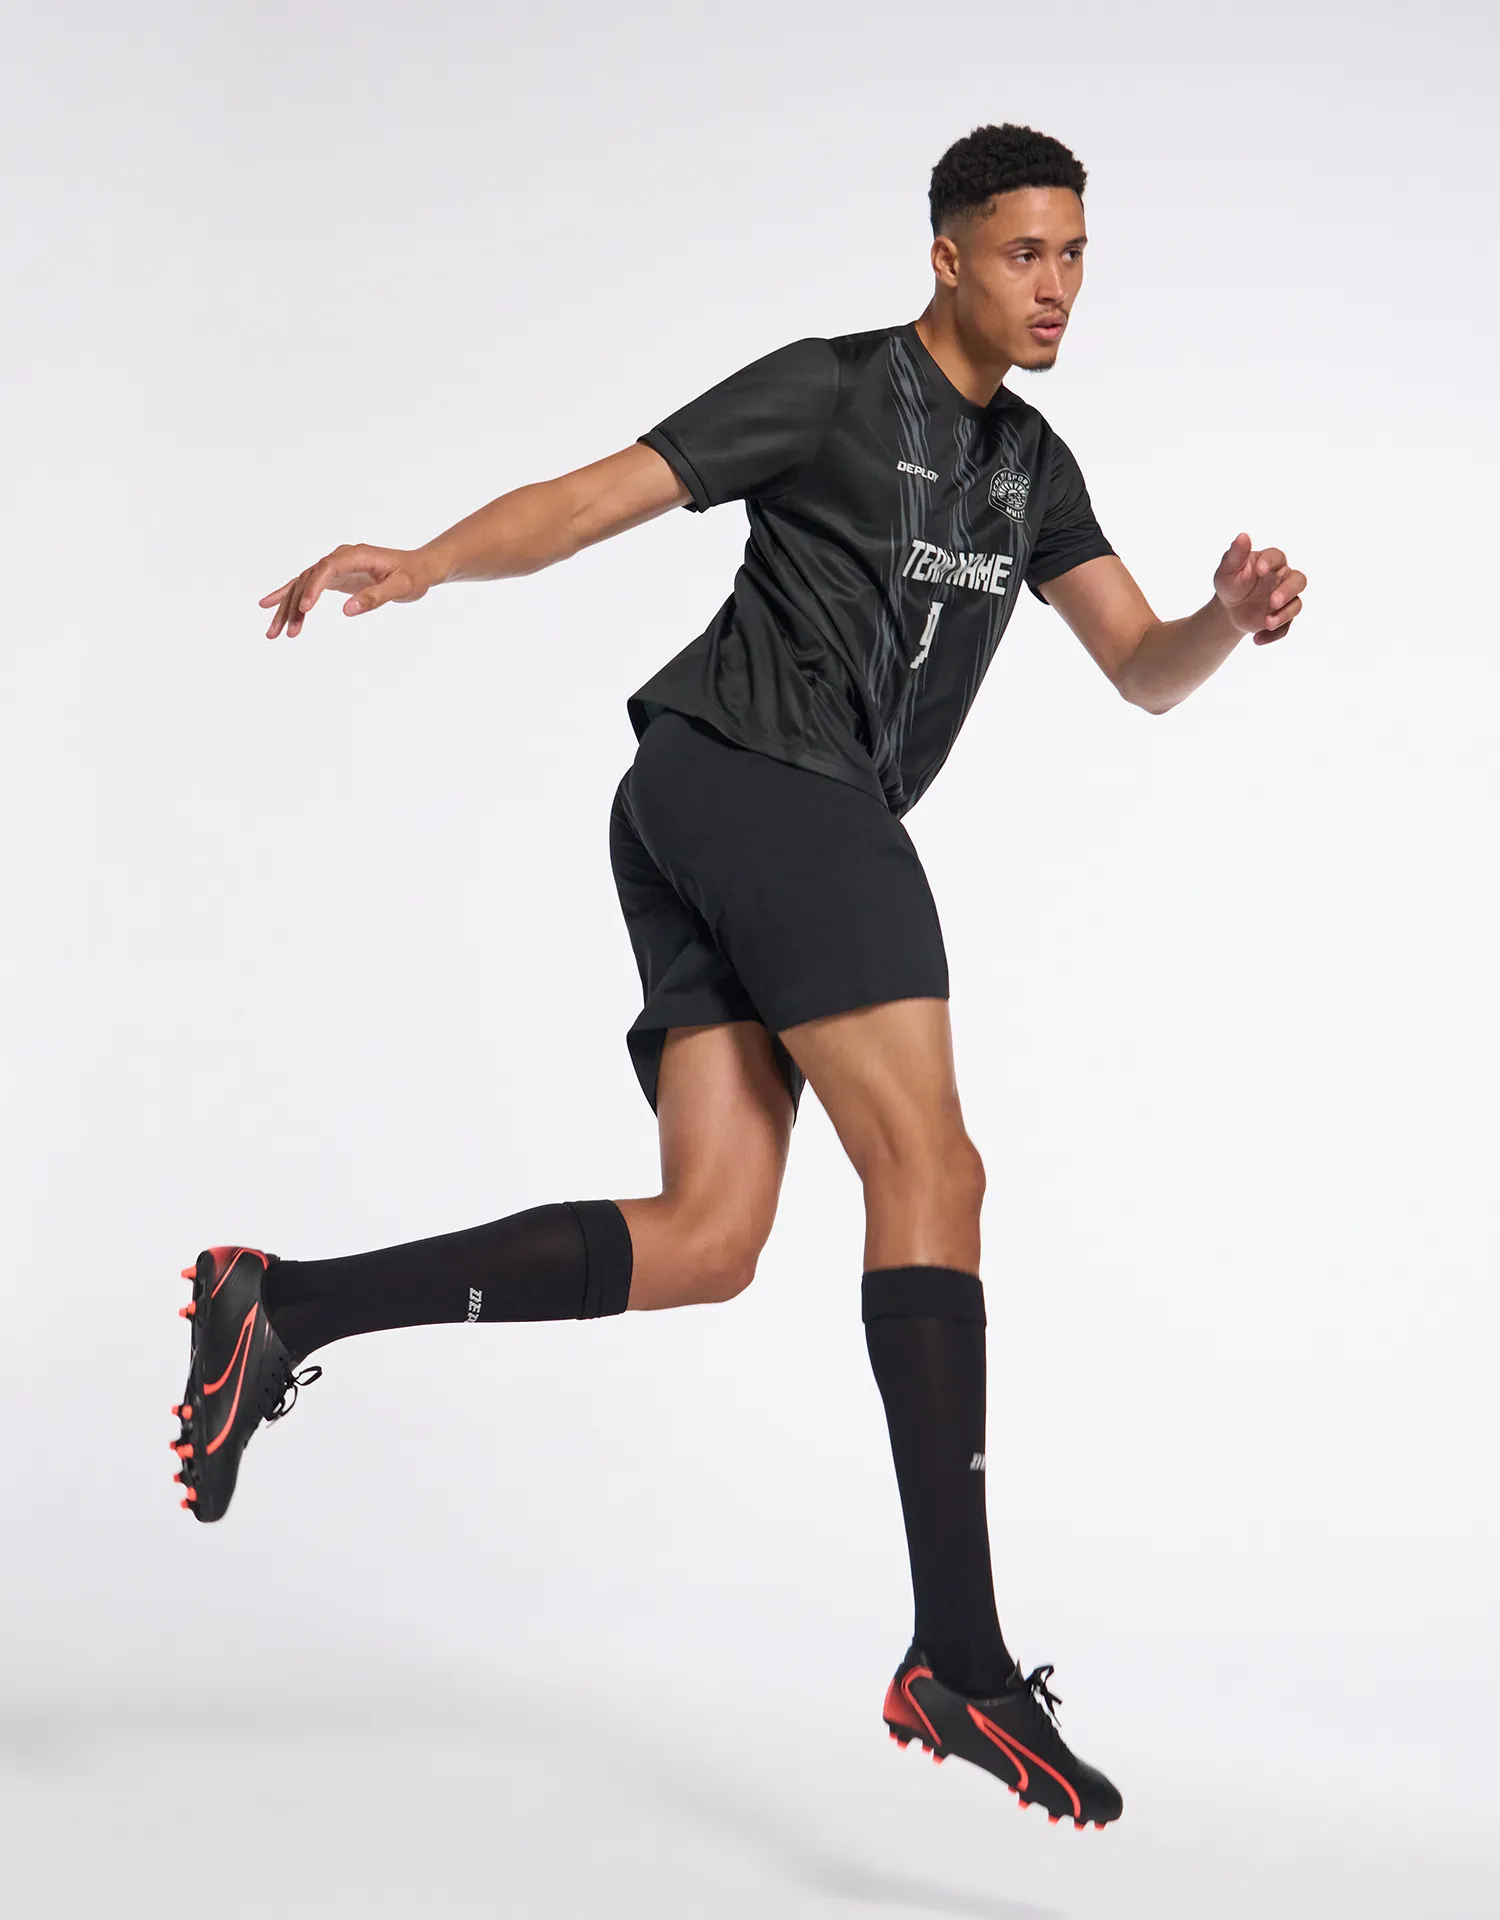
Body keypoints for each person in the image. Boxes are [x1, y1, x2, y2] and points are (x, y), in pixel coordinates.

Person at [170, 123, 1305, 1830]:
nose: (1058, 286)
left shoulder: (1035, 470)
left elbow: (1142, 668)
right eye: (1025, 253)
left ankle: (282, 1305)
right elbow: (596, 496)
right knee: (934, 1170)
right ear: (947, 257)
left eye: (1076, 254)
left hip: (700, 806)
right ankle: (961, 1656)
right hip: (761, 778)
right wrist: (423, 559)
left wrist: (1227, 618)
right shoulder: (833, 390)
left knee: (708, 1240)